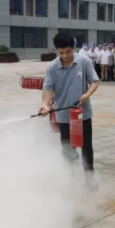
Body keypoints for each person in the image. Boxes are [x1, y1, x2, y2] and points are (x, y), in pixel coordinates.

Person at [39, 31, 100, 191]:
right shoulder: (53, 67)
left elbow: (95, 81)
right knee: (67, 150)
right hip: (64, 116)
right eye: (61, 52)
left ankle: (90, 178)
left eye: (68, 52)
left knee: (86, 147)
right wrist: (45, 105)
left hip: (83, 114)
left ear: (74, 48)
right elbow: (47, 89)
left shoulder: (84, 61)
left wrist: (87, 94)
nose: (65, 56)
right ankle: (68, 181)